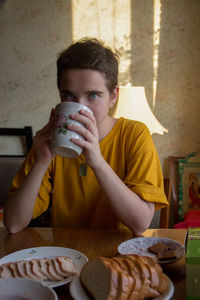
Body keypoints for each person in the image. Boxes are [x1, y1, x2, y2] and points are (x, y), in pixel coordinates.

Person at [3, 38, 168, 235]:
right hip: (66, 255)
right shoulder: (50, 141)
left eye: (93, 95)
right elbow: (13, 224)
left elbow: (140, 223)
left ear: (113, 96)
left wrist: (97, 161)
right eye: (70, 96)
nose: (81, 106)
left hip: (119, 256)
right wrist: (41, 162)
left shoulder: (134, 135)